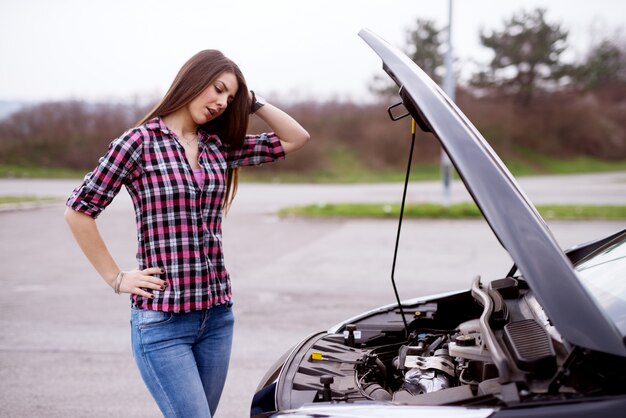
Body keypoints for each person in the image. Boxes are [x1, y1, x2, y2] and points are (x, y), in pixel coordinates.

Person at [64, 49, 309, 417]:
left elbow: (295, 138)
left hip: (217, 317)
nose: (222, 103)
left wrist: (252, 101)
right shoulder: (138, 143)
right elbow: (79, 210)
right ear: (193, 80)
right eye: (218, 89)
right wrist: (116, 278)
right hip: (164, 321)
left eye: (229, 98)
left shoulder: (218, 146)